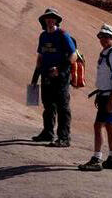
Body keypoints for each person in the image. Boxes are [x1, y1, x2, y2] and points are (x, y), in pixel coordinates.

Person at [78, 24, 112, 171]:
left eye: (106, 36)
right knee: (110, 125)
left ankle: (96, 159)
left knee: (98, 125)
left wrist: (111, 99)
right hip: (106, 94)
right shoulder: (105, 52)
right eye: (101, 36)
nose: (103, 39)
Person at [31, 8, 77, 147]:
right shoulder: (43, 36)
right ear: (44, 20)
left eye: (53, 18)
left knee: (63, 107)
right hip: (46, 75)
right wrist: (35, 76)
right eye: (47, 18)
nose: (50, 20)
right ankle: (48, 132)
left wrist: (60, 69)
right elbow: (40, 56)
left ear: (57, 20)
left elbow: (73, 55)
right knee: (48, 104)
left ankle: (64, 137)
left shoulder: (63, 34)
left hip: (61, 77)